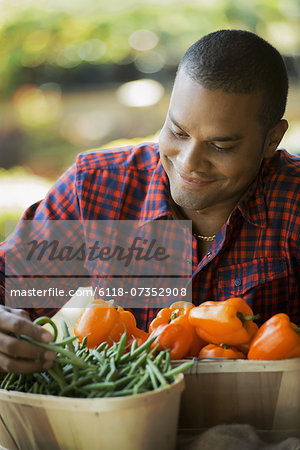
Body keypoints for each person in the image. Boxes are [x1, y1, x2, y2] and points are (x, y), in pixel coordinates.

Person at [0, 29, 299, 374]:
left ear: (271, 140)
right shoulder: (96, 188)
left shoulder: (293, 201)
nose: (188, 162)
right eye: (178, 132)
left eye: (221, 146)